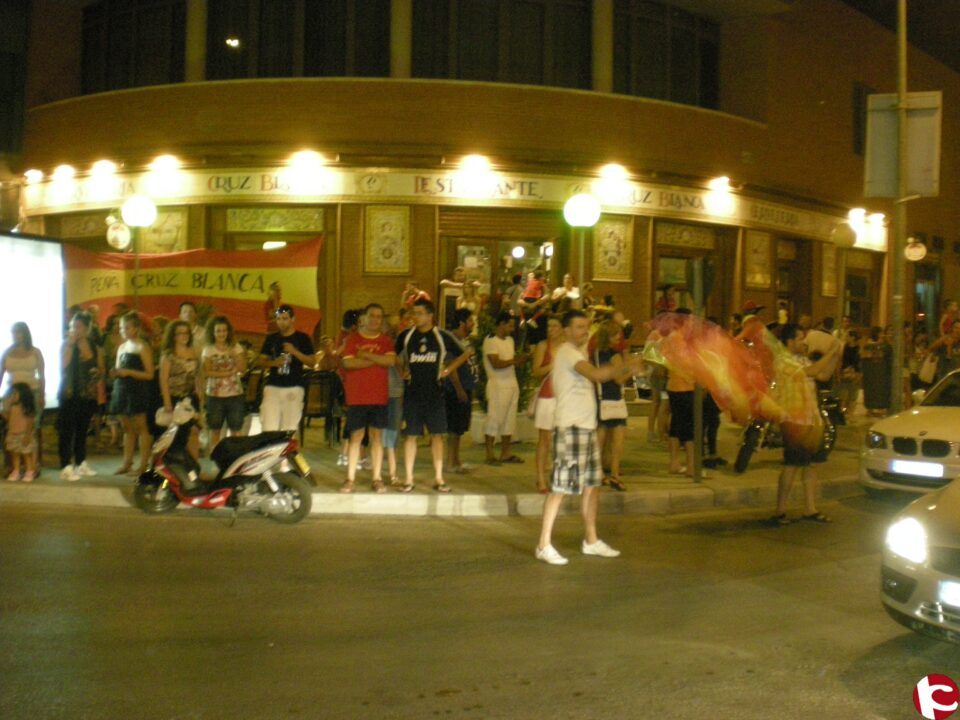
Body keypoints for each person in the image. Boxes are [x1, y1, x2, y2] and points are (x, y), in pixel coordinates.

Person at [535, 310, 641, 566]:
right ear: (567, 330)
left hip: (586, 427)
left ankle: (591, 540)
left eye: (586, 326)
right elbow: (596, 375)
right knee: (560, 488)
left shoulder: (579, 352)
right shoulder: (567, 353)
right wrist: (630, 364)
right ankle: (543, 544)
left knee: (592, 487)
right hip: (570, 428)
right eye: (580, 327)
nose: (585, 331)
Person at [394, 298, 470, 493]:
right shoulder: (406, 335)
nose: (416, 317)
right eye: (414, 313)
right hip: (413, 393)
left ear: (430, 315)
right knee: (410, 436)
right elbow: (393, 353)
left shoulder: (441, 336)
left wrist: (447, 370)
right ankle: (409, 479)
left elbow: (466, 353)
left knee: (437, 436)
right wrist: (401, 369)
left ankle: (439, 478)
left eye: (420, 313)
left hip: (435, 393)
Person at [771, 324, 842, 525]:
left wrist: (835, 355)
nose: (805, 343)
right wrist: (833, 351)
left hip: (812, 419)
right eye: (801, 339)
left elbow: (823, 375)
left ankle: (810, 509)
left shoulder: (802, 359)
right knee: (792, 464)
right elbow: (814, 371)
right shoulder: (783, 361)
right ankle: (780, 510)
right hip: (795, 420)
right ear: (789, 341)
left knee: (812, 465)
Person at [339, 303, 396, 494]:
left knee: (376, 437)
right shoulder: (353, 339)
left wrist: (363, 356)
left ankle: (377, 478)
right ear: (364, 318)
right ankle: (350, 478)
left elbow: (390, 361)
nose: (376, 320)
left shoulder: (386, 341)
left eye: (379, 317)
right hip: (357, 397)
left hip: (378, 396)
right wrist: (372, 359)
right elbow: (347, 363)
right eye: (372, 316)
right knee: (356, 437)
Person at [57, 311, 104, 481]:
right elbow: (63, 365)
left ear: (87, 328)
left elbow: (100, 369)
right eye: (73, 326)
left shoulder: (94, 346)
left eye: (79, 326)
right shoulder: (66, 344)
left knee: (82, 430)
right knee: (67, 431)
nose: (75, 329)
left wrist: (96, 373)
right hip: (69, 393)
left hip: (87, 394)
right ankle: (65, 466)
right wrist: (71, 344)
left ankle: (80, 462)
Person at [109, 312, 155, 476]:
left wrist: (128, 372)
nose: (123, 330)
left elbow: (150, 374)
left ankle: (143, 464)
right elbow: (119, 368)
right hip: (122, 389)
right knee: (126, 427)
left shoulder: (142, 346)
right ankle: (127, 462)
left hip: (137, 390)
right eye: (121, 327)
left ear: (136, 328)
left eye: (126, 327)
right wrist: (116, 373)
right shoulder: (121, 347)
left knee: (141, 427)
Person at [257, 304, 315, 432]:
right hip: (273, 385)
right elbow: (261, 361)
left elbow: (312, 362)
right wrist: (273, 363)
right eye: (278, 319)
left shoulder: (303, 338)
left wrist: (295, 352)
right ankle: (271, 451)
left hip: (294, 386)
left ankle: (288, 451)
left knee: (289, 427)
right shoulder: (272, 338)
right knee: (269, 426)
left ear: (292, 319)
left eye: (285, 318)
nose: (281, 322)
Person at [483, 311, 527, 466]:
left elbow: (508, 362)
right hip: (497, 385)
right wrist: (515, 361)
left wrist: (519, 360)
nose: (512, 329)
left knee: (509, 419)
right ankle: (489, 454)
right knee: (495, 418)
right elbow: (495, 363)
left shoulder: (509, 341)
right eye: (509, 325)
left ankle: (505, 453)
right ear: (501, 324)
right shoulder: (490, 341)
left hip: (511, 383)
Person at [593, 319, 628, 491]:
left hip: (600, 399)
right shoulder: (615, 355)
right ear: (609, 336)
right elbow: (620, 379)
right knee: (617, 440)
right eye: (616, 334)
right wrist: (630, 369)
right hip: (615, 399)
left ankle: (598, 472)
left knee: (600, 439)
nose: (619, 337)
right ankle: (615, 473)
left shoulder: (597, 354)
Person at [202, 315, 247, 450]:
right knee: (215, 429)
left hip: (235, 394)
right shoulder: (208, 349)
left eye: (224, 330)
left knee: (236, 428)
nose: (221, 334)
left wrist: (235, 356)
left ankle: (235, 457)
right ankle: (216, 457)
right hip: (215, 395)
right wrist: (225, 373)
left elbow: (242, 368)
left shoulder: (236, 347)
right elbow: (206, 372)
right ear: (213, 332)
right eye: (218, 331)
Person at [531, 316, 562, 493]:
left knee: (561, 439)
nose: (551, 329)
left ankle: (557, 475)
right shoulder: (544, 346)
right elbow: (536, 371)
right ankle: (541, 479)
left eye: (555, 326)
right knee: (545, 439)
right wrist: (552, 365)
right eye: (549, 326)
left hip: (563, 397)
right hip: (547, 396)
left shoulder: (567, 347)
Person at [444, 308, 477, 475]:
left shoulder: (466, 340)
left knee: (460, 427)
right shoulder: (452, 339)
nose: (473, 324)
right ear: (462, 322)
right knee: (454, 427)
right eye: (470, 320)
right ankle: (450, 462)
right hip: (455, 389)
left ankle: (456, 460)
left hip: (466, 386)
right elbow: (450, 366)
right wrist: (458, 388)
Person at [0, 321, 46, 422]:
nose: (15, 336)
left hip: (32, 391)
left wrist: (42, 395)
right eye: (13, 333)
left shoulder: (36, 352)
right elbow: (0, 375)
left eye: (18, 332)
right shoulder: (7, 352)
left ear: (25, 334)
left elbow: (42, 376)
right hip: (13, 392)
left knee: (32, 424)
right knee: (13, 424)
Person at [4, 383, 38, 482]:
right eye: (11, 394)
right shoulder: (12, 407)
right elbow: (8, 418)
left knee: (26, 454)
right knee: (15, 454)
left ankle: (29, 471)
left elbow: (30, 422)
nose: (12, 396)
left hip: (23, 434)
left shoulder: (26, 408)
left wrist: (27, 435)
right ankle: (16, 471)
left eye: (15, 394)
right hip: (12, 433)